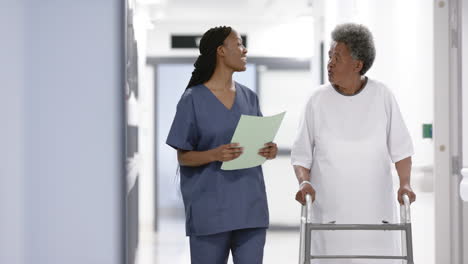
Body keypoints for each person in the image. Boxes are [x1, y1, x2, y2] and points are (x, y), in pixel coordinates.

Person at [291, 23, 416, 263]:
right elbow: (301, 155)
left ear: (358, 65)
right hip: (329, 213)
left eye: (337, 57)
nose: (330, 63)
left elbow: (401, 150)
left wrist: (406, 184)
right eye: (329, 56)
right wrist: (304, 181)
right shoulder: (316, 101)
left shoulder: (382, 96)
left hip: (375, 211)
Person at [166, 26, 278, 264]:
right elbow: (183, 156)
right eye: (238, 44)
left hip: (250, 208)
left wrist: (269, 150)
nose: (244, 49)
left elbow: (256, 142)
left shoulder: (250, 97)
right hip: (210, 211)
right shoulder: (192, 99)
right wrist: (215, 154)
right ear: (221, 51)